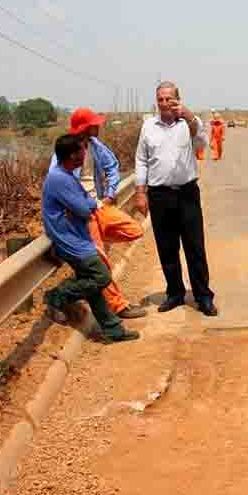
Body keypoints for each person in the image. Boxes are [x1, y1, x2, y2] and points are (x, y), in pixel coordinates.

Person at [50, 107, 147, 319]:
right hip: (81, 214)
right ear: (85, 127)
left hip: (99, 207)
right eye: (95, 124)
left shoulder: (95, 146)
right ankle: (119, 306)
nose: (99, 126)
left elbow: (112, 165)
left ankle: (82, 279)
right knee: (101, 262)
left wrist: (111, 193)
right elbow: (56, 180)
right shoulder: (66, 149)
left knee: (135, 230)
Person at [42, 134, 139, 343]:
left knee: (93, 287)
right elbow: (83, 208)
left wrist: (88, 204)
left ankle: (113, 331)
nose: (84, 155)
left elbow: (86, 200)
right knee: (101, 277)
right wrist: (89, 205)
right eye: (81, 151)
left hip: (79, 237)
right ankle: (57, 296)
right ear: (71, 155)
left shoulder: (67, 175)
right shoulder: (59, 179)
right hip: (71, 242)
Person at [134, 82, 218, 316]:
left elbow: (202, 144)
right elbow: (141, 159)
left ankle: (203, 296)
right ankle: (175, 293)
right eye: (160, 99)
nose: (164, 103)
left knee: (195, 247)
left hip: (187, 193)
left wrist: (191, 118)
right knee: (167, 248)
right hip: (160, 195)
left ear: (178, 99)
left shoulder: (189, 123)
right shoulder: (148, 126)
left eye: (169, 98)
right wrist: (140, 192)